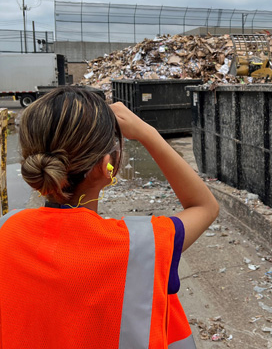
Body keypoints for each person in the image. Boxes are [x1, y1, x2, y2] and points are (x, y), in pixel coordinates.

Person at [0, 86, 219, 347]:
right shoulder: (141, 246)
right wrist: (147, 133)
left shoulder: (6, 228)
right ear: (108, 167)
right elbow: (205, 206)